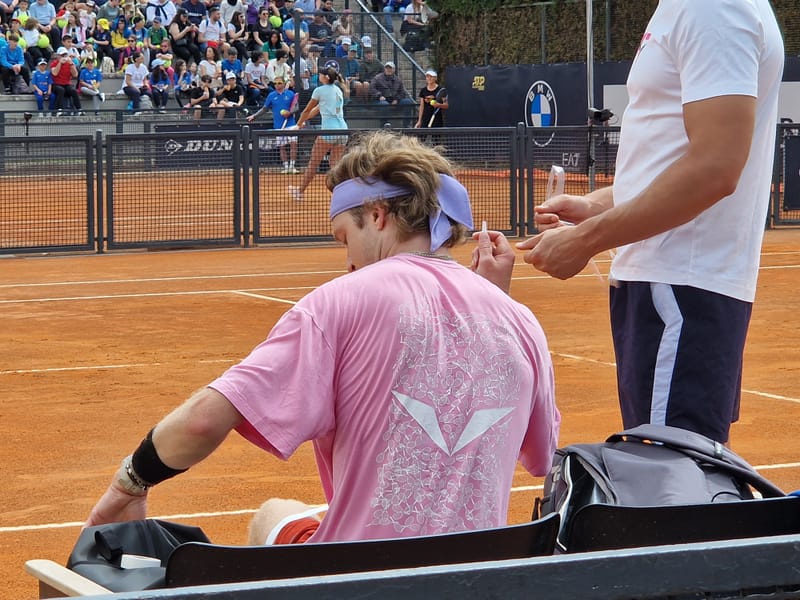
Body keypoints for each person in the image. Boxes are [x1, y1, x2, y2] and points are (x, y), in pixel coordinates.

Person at [83, 129, 560, 547]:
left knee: (272, 512)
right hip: (479, 579)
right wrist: (496, 303)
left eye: (342, 238)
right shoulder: (520, 321)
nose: (347, 261)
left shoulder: (338, 301)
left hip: (356, 578)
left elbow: (205, 421)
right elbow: (540, 457)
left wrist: (130, 483)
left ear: (377, 216)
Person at [512, 0, 783, 445]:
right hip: (671, 285)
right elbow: (673, 160)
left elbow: (715, 167)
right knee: (674, 476)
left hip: (678, 287)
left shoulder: (710, 6)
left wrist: (585, 241)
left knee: (668, 484)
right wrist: (598, 207)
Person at [288, 64, 346, 202]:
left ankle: (300, 191)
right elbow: (317, 110)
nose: (318, 76)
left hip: (329, 131)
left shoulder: (319, 90)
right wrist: (302, 123)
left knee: (313, 163)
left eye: (320, 74)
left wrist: (297, 125)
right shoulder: (337, 89)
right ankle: (342, 195)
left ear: (325, 77)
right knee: (335, 165)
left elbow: (307, 110)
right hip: (343, 130)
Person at [247, 74, 298, 173]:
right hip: (278, 125)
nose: (277, 85)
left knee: (293, 145)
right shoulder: (271, 95)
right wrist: (254, 116)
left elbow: (296, 107)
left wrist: (290, 113)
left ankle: (292, 166)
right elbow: (265, 108)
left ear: (284, 84)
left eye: (279, 83)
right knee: (282, 147)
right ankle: (286, 167)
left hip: (291, 124)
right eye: (275, 83)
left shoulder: (291, 94)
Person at [50, 45, 81, 114]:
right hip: (56, 84)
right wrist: (60, 63)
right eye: (62, 55)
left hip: (66, 84)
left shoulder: (69, 64)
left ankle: (79, 109)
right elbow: (55, 73)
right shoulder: (54, 63)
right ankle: (58, 109)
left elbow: (75, 75)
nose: (64, 57)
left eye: (65, 55)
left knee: (73, 91)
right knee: (61, 90)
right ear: (58, 56)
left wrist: (72, 65)